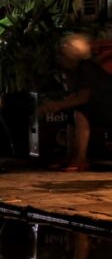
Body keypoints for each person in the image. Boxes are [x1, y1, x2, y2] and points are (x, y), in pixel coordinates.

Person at [37, 33, 112, 171]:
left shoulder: (86, 68)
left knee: (81, 113)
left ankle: (80, 159)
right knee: (72, 113)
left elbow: (82, 98)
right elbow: (74, 96)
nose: (60, 57)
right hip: (102, 107)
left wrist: (56, 105)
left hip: (108, 109)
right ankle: (70, 157)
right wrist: (59, 105)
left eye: (63, 53)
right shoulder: (75, 70)